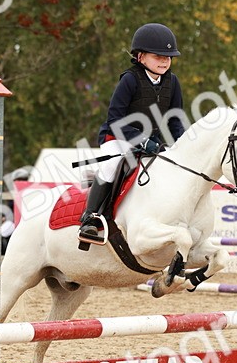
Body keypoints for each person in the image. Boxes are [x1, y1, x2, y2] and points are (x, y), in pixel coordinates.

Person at [79, 23, 186, 244]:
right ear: (140, 56)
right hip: (117, 137)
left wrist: (182, 146)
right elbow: (115, 119)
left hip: (151, 142)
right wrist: (142, 140)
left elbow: (175, 120)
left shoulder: (172, 82)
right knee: (111, 165)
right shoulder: (129, 79)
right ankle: (90, 218)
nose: (165, 61)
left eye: (169, 56)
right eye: (159, 56)